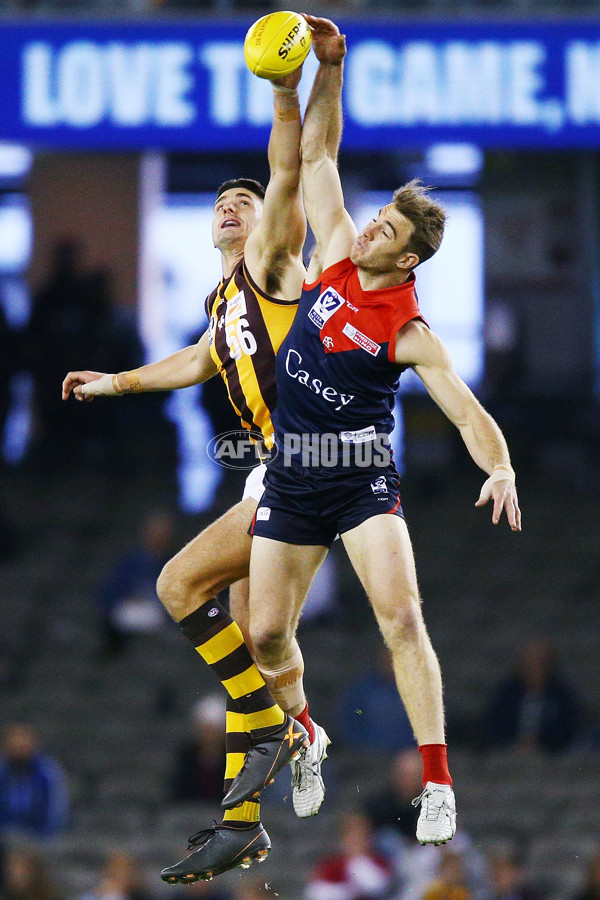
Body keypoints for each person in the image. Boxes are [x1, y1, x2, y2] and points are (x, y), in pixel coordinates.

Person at [62, 18, 341, 883]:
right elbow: (191, 361)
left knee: (225, 621)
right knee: (216, 616)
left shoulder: (271, 261)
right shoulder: (225, 303)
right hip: (277, 469)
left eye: (244, 197)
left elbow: (296, 165)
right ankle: (244, 817)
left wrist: (287, 87)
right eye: (222, 200)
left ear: (269, 222)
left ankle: (286, 731)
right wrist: (112, 383)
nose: (233, 203)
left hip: (310, 465)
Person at [240, 16, 521, 850]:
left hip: (360, 476)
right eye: (377, 223)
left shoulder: (410, 330)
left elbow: (466, 412)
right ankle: (309, 735)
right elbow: (318, 156)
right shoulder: (332, 256)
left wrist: (499, 466)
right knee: (264, 636)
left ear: (408, 262)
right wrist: (332, 66)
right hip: (293, 473)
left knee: (402, 621)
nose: (369, 230)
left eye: (388, 234)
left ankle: (437, 782)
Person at [96, 508, 177, 658]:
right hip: (129, 610)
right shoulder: (131, 561)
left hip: (159, 613)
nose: (158, 535)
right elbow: (112, 589)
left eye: (163, 531)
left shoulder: (174, 563)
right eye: (155, 530)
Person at [480, 637, 581, 753]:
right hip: (510, 751)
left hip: (549, 755)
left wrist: (541, 744)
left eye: (540, 664)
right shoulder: (507, 694)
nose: (534, 670)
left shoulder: (562, 696)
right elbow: (495, 723)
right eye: (529, 665)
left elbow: (567, 727)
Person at [337, 644, 414, 752]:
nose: (391, 661)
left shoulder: (415, 690)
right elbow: (353, 714)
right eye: (388, 655)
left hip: (407, 755)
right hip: (368, 754)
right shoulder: (364, 689)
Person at [304, 809, 393, 900]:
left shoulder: (381, 861)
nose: (356, 840)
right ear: (343, 838)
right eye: (352, 835)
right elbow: (316, 893)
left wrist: (358, 861)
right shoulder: (331, 865)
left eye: (361, 835)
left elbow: (378, 887)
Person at [0, 723, 69, 840]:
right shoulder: (2, 771)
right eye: (15, 745)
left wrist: (46, 836)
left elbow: (56, 808)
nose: (19, 748)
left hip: (39, 837)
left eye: (23, 744)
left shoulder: (47, 771)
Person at [170, 695, 227, 805]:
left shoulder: (235, 761)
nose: (209, 736)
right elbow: (178, 792)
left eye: (213, 730)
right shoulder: (186, 758)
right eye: (205, 729)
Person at [78, 850, 154, 900]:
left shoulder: (144, 896)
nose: (122, 875)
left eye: (126, 871)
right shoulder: (96, 895)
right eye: (117, 871)